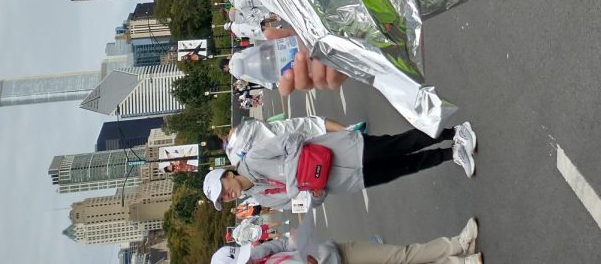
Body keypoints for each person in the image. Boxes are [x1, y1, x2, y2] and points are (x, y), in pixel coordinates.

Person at [202, 116, 478, 212]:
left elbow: (293, 141)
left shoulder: (253, 158)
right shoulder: (262, 198)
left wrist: (292, 181)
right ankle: (450, 155)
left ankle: (454, 132)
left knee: (401, 144)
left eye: (223, 189)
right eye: (223, 199)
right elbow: (300, 204)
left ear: (227, 174)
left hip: (344, 152)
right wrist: (316, 197)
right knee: (405, 167)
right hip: (345, 181)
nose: (227, 196)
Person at [210, 214, 482, 264]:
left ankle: (457, 244)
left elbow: (281, 245)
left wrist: (295, 239)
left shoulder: (257, 256)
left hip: (337, 252)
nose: (250, 261)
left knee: (400, 255)